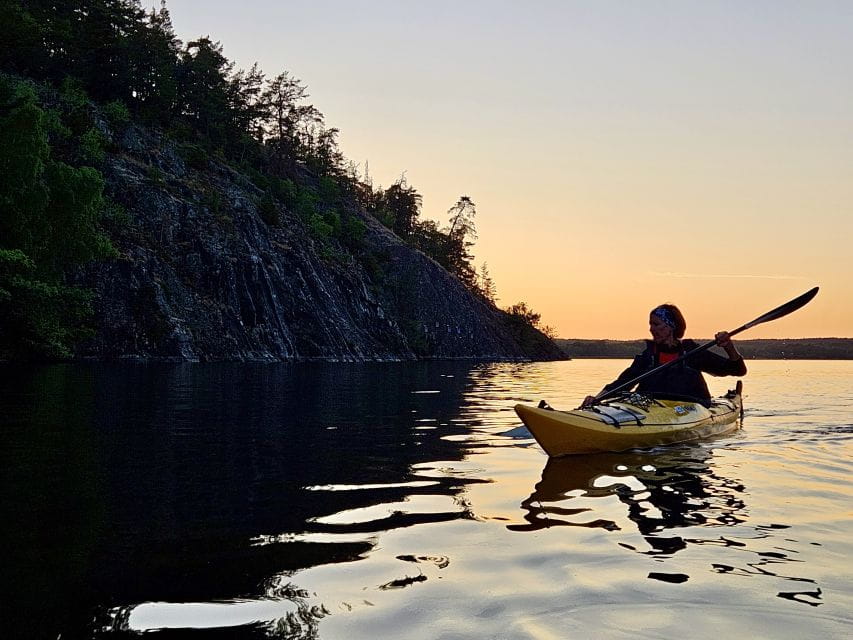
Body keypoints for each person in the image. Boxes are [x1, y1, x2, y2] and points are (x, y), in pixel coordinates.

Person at [582, 304, 746, 407]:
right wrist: (596, 399)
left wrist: (728, 346)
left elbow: (738, 370)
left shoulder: (691, 352)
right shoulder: (648, 356)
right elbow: (621, 383)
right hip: (650, 407)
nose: (651, 329)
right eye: (650, 324)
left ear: (671, 326)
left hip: (690, 408)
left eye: (656, 324)